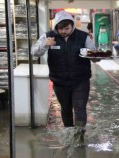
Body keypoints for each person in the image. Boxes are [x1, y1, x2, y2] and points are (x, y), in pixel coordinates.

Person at [31, 11, 95, 146]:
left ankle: (79, 137)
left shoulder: (83, 36)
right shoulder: (48, 36)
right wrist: (44, 45)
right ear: (56, 27)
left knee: (80, 108)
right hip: (59, 80)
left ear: (72, 26)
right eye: (61, 29)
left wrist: (96, 56)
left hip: (80, 80)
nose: (64, 32)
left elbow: (94, 54)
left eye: (67, 29)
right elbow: (34, 53)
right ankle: (68, 133)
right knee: (65, 108)